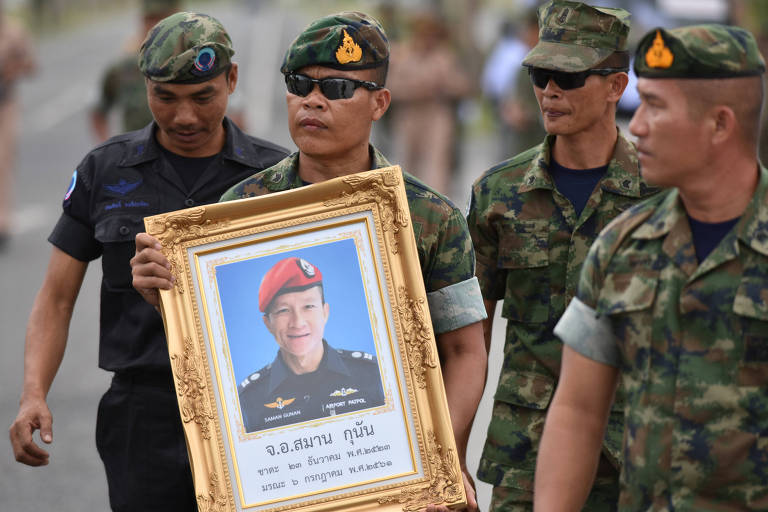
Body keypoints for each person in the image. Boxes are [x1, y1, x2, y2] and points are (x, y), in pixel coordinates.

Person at [132, 11, 487, 512]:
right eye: (299, 85)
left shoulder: (430, 217)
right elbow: (212, 353)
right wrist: (164, 292)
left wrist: (437, 460)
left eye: (338, 89)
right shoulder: (233, 212)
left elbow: (466, 352)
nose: (313, 101)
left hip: (394, 482)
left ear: (380, 103)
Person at [9, 12, 287, 512]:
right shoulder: (105, 169)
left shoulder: (274, 177)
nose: (184, 117)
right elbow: (55, 298)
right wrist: (33, 393)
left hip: (254, 405)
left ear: (233, 80)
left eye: (203, 97)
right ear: (145, 87)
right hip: (143, 412)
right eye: (166, 98)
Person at [536, 24, 768, 510]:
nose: (636, 125)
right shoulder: (622, 246)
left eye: (656, 106)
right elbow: (577, 411)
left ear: (720, 125)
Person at [466, 1, 660, 510]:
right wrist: (450, 456)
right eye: (540, 74)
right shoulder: (498, 195)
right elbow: (469, 339)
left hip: (635, 454)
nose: (549, 91)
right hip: (526, 452)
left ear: (617, 86)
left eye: (568, 77)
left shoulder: (661, 193)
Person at [238, 256, 384, 433]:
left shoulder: (373, 374)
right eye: (283, 310)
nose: (298, 323)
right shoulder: (247, 400)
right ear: (268, 323)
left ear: (325, 313)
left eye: (308, 307)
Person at [387, 9, 472, 195]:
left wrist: (444, 84)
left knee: (436, 165)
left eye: (431, 33)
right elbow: (389, 88)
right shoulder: (401, 55)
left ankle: (436, 207)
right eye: (423, 32)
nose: (427, 38)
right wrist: (416, 89)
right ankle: (407, 204)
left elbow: (463, 86)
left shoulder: (444, 57)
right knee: (406, 164)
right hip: (409, 116)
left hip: (436, 117)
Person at [90, 0, 180, 142]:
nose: (157, 26)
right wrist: (108, 152)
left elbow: (223, 114)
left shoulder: (197, 64)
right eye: (151, 19)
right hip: (137, 158)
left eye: (164, 19)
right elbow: (99, 113)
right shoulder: (124, 68)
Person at [0, 8, 36, 248]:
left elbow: (31, 65)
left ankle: (2, 222)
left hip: (5, 103)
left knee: (2, 161)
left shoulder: (13, 31)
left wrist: (13, 67)